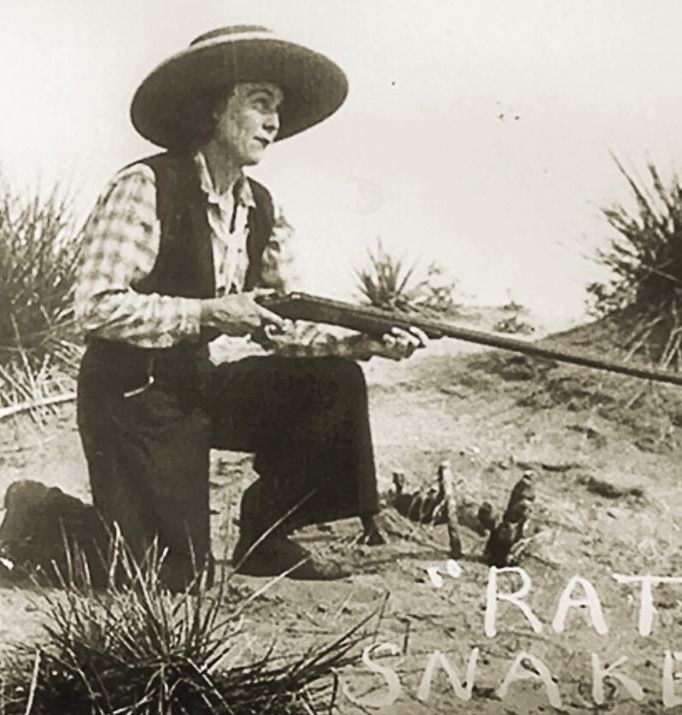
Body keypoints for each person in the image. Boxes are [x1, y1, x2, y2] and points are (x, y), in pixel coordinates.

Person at [73, 25, 427, 588]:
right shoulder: (146, 185)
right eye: (259, 103)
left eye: (278, 108)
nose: (274, 122)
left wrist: (368, 342)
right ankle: (32, 519)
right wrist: (211, 314)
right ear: (214, 109)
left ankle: (266, 536)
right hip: (129, 397)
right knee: (170, 577)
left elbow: (287, 328)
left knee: (334, 384)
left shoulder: (262, 207)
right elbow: (95, 307)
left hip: (195, 385)